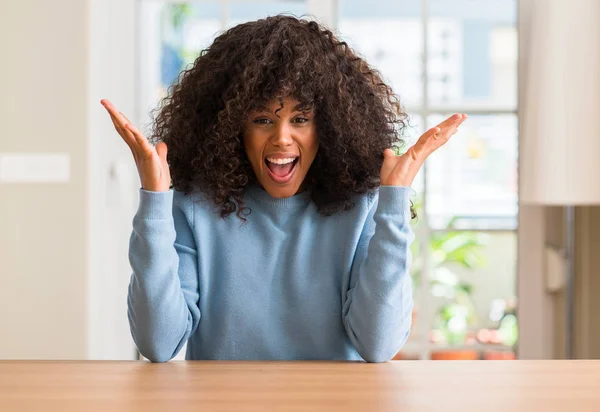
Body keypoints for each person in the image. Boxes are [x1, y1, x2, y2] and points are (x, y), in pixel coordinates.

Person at [101, 15, 466, 363]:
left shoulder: (361, 207)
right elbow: (159, 343)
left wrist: (394, 203)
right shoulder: (195, 206)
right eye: (262, 120)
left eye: (301, 119)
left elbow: (379, 344)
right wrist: (154, 203)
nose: (281, 138)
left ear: (329, 127)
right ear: (232, 129)